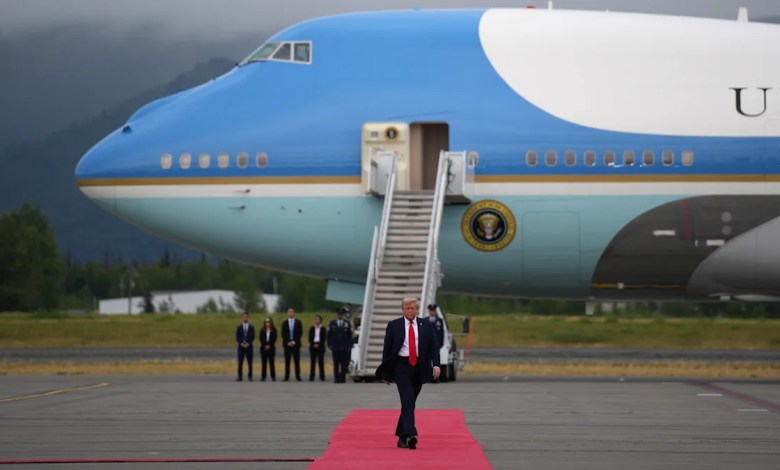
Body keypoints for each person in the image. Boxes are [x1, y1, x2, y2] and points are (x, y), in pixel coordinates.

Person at [375, 298, 440, 450]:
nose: (410, 311)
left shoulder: (426, 325)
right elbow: (387, 349)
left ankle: (402, 438)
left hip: (419, 367)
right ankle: (411, 434)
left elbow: (433, 346)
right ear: (402, 309)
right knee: (408, 400)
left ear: (417, 309)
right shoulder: (393, 326)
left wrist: (436, 365)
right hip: (401, 367)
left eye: (413, 308)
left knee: (409, 404)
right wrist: (385, 372)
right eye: (407, 308)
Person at [328, 307, 353, 383]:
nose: (340, 316)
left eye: (341, 314)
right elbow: (329, 334)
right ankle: (336, 378)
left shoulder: (347, 323)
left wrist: (349, 345)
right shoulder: (332, 323)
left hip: (344, 347)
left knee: (344, 364)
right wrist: (330, 344)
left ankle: (342, 378)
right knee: (336, 363)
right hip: (335, 347)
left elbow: (349, 335)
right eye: (339, 314)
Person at [280, 307, 303, 381]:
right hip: (287, 344)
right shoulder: (284, 323)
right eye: (289, 312)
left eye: (292, 311)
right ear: (287, 313)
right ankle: (286, 376)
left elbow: (300, 333)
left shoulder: (298, 322)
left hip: (296, 344)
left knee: (296, 360)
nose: (290, 313)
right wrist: (288, 342)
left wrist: (294, 341)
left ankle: (298, 375)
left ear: (294, 313)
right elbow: (283, 334)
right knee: (287, 361)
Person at [235, 311, 255, 381]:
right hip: (241, 347)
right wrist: (241, 343)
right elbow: (237, 337)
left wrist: (248, 343)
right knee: (240, 362)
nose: (245, 318)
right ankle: (240, 376)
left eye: (246, 317)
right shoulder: (239, 327)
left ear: (248, 318)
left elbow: (252, 336)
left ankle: (250, 376)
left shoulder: (251, 327)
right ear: (242, 318)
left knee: (250, 362)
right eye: (244, 317)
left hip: (249, 347)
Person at [308, 315, 327, 381]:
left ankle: (322, 376)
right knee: (312, 362)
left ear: (320, 320)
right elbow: (310, 338)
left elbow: (323, 338)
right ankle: (312, 376)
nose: (317, 321)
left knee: (321, 362)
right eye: (315, 319)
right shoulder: (312, 328)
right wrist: (313, 344)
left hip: (320, 347)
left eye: (318, 319)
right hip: (313, 346)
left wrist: (319, 344)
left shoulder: (323, 329)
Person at [259, 317, 277, 381]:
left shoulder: (274, 330)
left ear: (271, 322)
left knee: (271, 362)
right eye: (266, 322)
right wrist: (265, 345)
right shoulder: (262, 330)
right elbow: (261, 339)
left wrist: (269, 345)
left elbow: (274, 339)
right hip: (263, 348)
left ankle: (273, 376)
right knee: (264, 362)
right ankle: (263, 376)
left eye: (268, 322)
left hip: (271, 348)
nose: (267, 323)